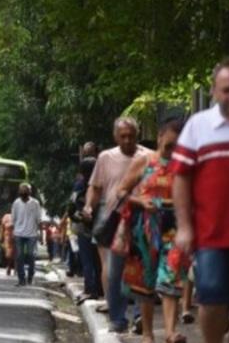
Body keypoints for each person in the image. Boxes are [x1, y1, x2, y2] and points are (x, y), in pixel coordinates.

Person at [170, 58, 229, 343]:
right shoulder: (198, 126)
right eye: (226, 90)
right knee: (211, 299)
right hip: (211, 236)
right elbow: (180, 178)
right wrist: (184, 226)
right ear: (214, 91)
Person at [110, 117, 187, 343]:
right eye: (169, 146)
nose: (173, 151)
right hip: (145, 227)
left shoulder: (187, 164)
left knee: (171, 276)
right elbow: (121, 191)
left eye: (179, 147)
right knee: (145, 280)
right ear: (159, 137)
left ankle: (171, 332)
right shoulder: (144, 161)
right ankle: (148, 333)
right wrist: (141, 201)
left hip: (175, 227)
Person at [83, 117, 150, 332]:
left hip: (142, 218)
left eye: (131, 136)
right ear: (116, 137)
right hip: (114, 219)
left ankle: (140, 316)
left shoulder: (147, 157)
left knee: (142, 268)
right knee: (114, 272)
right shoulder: (105, 157)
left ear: (137, 135)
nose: (128, 140)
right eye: (123, 136)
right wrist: (88, 207)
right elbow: (95, 187)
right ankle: (118, 318)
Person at [74, 149, 103, 303]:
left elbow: (72, 207)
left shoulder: (80, 185)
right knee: (99, 260)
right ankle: (99, 288)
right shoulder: (102, 184)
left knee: (87, 260)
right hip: (101, 226)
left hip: (85, 228)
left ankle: (89, 289)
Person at [11, 183, 42, 286]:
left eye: (26, 190)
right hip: (19, 233)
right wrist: (12, 233)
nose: (24, 192)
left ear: (30, 192)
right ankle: (21, 279)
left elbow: (39, 220)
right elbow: (13, 219)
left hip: (32, 234)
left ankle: (30, 276)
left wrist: (41, 234)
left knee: (30, 255)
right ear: (19, 192)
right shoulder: (16, 203)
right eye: (22, 190)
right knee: (19, 256)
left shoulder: (35, 203)